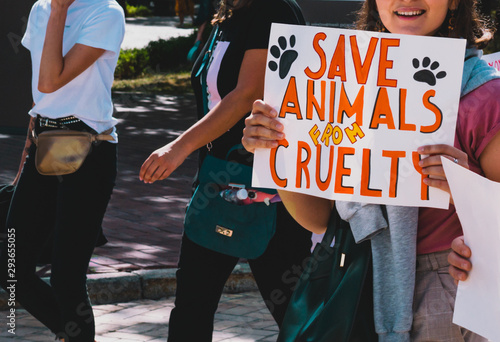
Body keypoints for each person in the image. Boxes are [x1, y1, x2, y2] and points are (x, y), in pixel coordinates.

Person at [241, 0, 500, 339]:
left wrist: (467, 189)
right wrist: (275, 151)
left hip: (444, 289)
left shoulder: (484, 96)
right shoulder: (339, 90)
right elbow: (322, 220)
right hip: (356, 276)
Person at [139, 0, 312, 340]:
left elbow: (247, 93)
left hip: (269, 187)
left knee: (294, 314)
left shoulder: (273, 9)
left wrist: (179, 147)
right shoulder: (230, 12)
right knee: (191, 306)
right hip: (217, 180)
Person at [0, 0, 125, 341]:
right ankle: (72, 334)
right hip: (47, 144)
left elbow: (49, 79)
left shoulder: (106, 12)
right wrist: (27, 151)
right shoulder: (41, 8)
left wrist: (59, 11)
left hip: (88, 148)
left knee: (67, 276)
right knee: (11, 267)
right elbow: (42, 99)